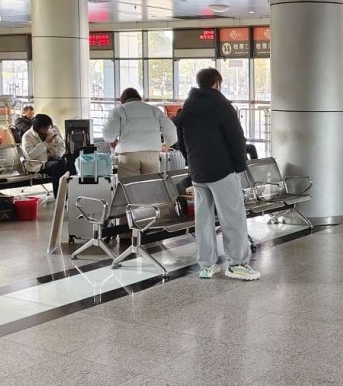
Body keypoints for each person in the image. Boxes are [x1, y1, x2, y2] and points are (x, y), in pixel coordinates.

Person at [177, 68, 260, 281]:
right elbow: (236, 139)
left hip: (198, 172)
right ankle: (238, 264)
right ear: (217, 83)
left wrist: (192, 163)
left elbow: (182, 141)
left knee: (203, 221)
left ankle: (207, 265)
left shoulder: (187, 107)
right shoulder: (222, 106)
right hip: (222, 170)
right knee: (233, 217)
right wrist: (239, 165)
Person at [102, 88, 178, 177]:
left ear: (122, 100)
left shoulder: (118, 110)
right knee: (151, 182)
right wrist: (168, 143)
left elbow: (109, 134)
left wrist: (112, 141)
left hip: (128, 154)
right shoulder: (154, 110)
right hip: (151, 154)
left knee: (130, 184)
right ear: (139, 98)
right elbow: (170, 128)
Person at [21, 114, 68, 198]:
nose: (47, 130)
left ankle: (66, 194)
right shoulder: (27, 136)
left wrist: (55, 145)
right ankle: (59, 196)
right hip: (38, 164)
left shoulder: (49, 132)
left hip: (52, 159)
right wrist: (45, 143)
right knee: (57, 166)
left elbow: (61, 147)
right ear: (38, 127)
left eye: (48, 127)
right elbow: (30, 155)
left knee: (67, 163)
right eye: (45, 128)